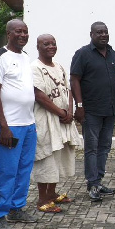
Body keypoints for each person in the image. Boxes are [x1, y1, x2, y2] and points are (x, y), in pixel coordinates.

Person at [0, 19, 37, 229]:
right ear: (9, 33)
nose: (23, 35)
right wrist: (3, 126)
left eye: (25, 32)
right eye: (19, 32)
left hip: (28, 124)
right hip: (10, 125)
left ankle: (17, 209)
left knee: (24, 169)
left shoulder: (25, 57)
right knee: (8, 171)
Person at [31, 34, 81, 212]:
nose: (51, 46)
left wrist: (70, 110)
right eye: (46, 44)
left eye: (53, 43)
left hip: (63, 119)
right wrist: (61, 112)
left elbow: (68, 90)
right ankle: (42, 200)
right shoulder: (35, 67)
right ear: (38, 46)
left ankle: (52, 194)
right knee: (47, 157)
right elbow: (39, 96)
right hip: (47, 119)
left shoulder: (59, 66)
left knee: (59, 156)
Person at [71, 21, 115, 202]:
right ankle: (92, 183)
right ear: (91, 34)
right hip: (91, 111)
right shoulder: (83, 54)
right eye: (99, 32)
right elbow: (75, 80)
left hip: (109, 110)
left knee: (105, 147)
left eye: (105, 32)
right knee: (91, 148)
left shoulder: (112, 53)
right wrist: (79, 106)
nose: (103, 35)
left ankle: (98, 181)